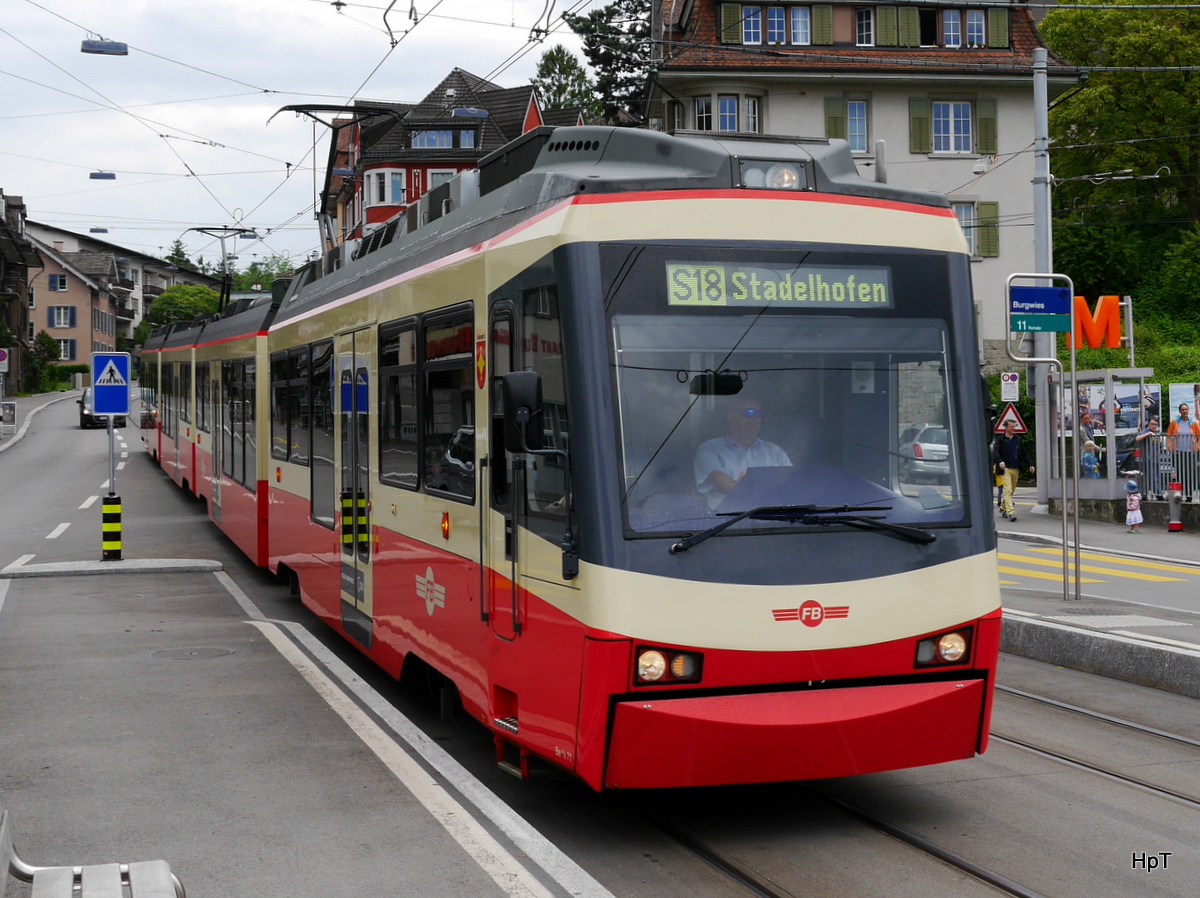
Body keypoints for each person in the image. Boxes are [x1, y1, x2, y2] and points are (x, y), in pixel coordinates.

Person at [694, 395, 791, 509]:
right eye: (748, 413)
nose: (755, 419)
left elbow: (792, 485)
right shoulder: (709, 449)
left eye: (758, 414)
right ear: (730, 417)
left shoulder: (775, 451)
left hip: (773, 519)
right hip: (727, 522)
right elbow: (723, 483)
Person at [992, 420, 1034, 522]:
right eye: (1011, 427)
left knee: (1012, 490)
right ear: (1006, 428)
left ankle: (1003, 507)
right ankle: (1010, 512)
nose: (1013, 428)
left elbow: (1024, 454)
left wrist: (1030, 464)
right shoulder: (1000, 440)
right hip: (1005, 468)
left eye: (1014, 426)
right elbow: (995, 451)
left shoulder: (1018, 440)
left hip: (1016, 468)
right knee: (1008, 490)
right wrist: (1000, 461)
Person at [1166, 402, 1200, 500]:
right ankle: (1179, 494)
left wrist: (1197, 447)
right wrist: (1170, 447)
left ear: (1188, 410)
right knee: (1179, 473)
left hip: (1190, 452)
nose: (1184, 411)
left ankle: (1189, 495)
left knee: (1189, 473)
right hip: (1178, 452)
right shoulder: (1175, 422)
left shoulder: (1194, 423)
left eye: (1186, 409)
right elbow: (1168, 435)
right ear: (1180, 411)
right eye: (1182, 410)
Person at [1134, 416, 1167, 499]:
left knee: (1154, 477)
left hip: (1155, 459)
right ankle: (1159, 496)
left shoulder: (1156, 433)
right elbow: (1137, 438)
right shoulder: (1146, 431)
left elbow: (1160, 446)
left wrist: (1160, 443)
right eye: (1152, 424)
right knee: (1153, 477)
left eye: (1155, 424)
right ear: (1148, 424)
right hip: (1147, 459)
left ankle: (1145, 495)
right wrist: (1148, 434)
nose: (1153, 426)